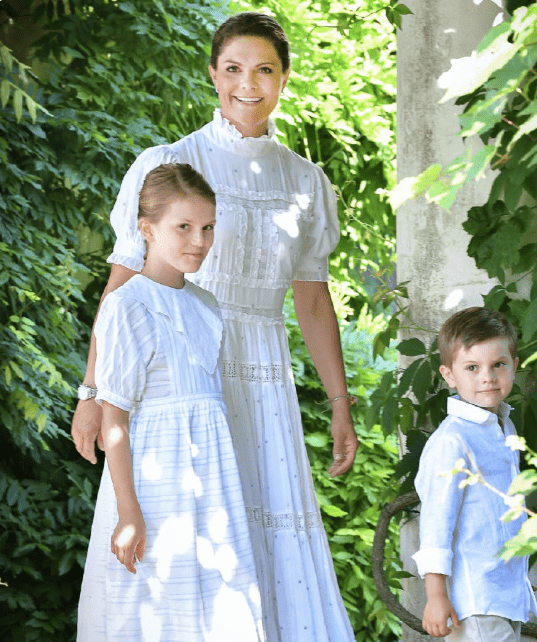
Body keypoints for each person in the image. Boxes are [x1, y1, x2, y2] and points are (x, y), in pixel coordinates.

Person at [71, 11, 358, 641]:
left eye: (264, 70)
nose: (247, 85)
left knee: (263, 529)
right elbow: (123, 284)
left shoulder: (306, 182)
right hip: (176, 372)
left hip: (263, 381)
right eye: (233, 69)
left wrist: (340, 404)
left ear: (284, 78)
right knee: (176, 532)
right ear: (212, 74)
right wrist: (92, 393)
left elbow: (312, 302)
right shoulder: (170, 163)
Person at [77, 163, 264, 641]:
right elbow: (114, 417)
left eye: (207, 228)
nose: (198, 240)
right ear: (147, 228)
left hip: (209, 481)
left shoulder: (206, 305)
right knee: (154, 604)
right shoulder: (127, 303)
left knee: (215, 601)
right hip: (155, 480)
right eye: (183, 227)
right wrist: (128, 511)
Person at [412, 307, 537, 641]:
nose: (488, 377)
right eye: (472, 367)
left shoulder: (503, 425)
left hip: (501, 592)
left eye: (498, 364)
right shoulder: (452, 441)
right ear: (449, 375)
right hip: (473, 599)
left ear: (514, 365)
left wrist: (517, 577)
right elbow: (437, 523)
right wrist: (436, 596)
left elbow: (499, 513)